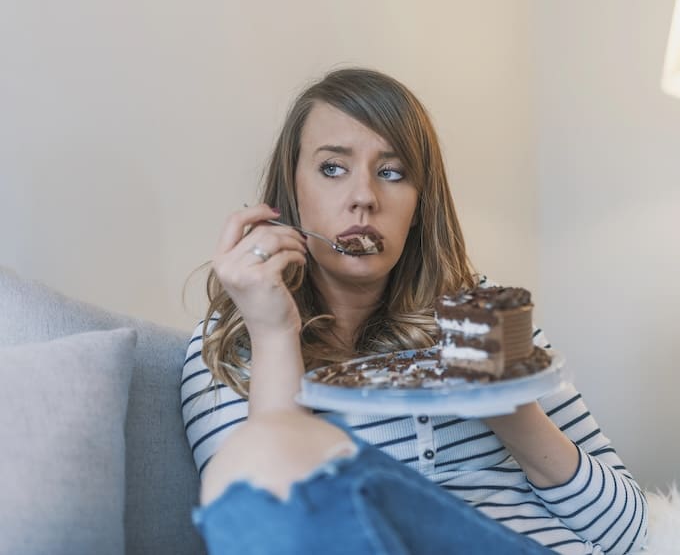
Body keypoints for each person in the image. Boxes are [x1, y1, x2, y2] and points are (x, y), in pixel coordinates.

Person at [181, 68, 648, 554]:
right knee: (259, 453)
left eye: (391, 173)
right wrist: (273, 333)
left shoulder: (477, 318)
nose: (364, 197)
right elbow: (261, 519)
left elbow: (626, 531)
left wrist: (505, 403)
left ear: (420, 204)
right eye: (333, 169)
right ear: (290, 192)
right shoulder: (230, 343)